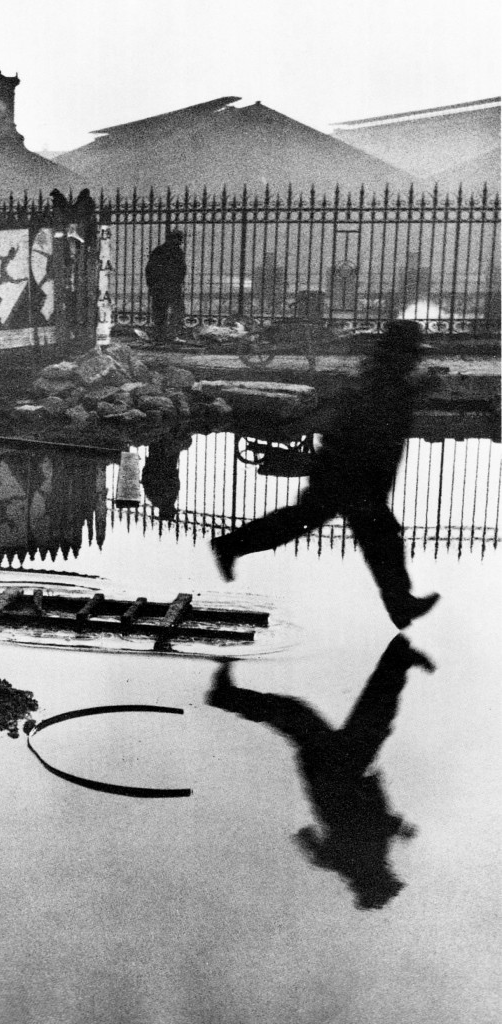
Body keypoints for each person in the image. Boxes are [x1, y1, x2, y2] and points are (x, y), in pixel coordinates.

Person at [211, 320, 440, 630]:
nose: (416, 359)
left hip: (352, 474)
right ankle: (400, 604)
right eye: (412, 353)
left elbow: (385, 403)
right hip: (350, 475)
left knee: (311, 522)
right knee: (379, 536)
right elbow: (354, 414)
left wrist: (418, 387)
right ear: (398, 354)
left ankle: (231, 545)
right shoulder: (380, 384)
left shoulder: (386, 379)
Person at [207, 636, 434, 909]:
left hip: (334, 775)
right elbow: (321, 842)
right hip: (340, 772)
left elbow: (363, 829)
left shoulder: (362, 860)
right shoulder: (357, 861)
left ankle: (224, 695)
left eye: (389, 877)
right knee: (364, 717)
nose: (391, 871)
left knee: (336, 717)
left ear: (377, 878)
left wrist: (398, 827)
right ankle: (398, 658)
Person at [145, 230, 186, 344]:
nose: (180, 242)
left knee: (161, 312)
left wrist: (151, 285)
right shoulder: (176, 252)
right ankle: (170, 335)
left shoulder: (158, 251)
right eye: (179, 239)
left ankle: (161, 336)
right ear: (173, 239)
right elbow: (181, 269)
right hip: (170, 286)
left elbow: (149, 269)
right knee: (175, 311)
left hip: (161, 287)